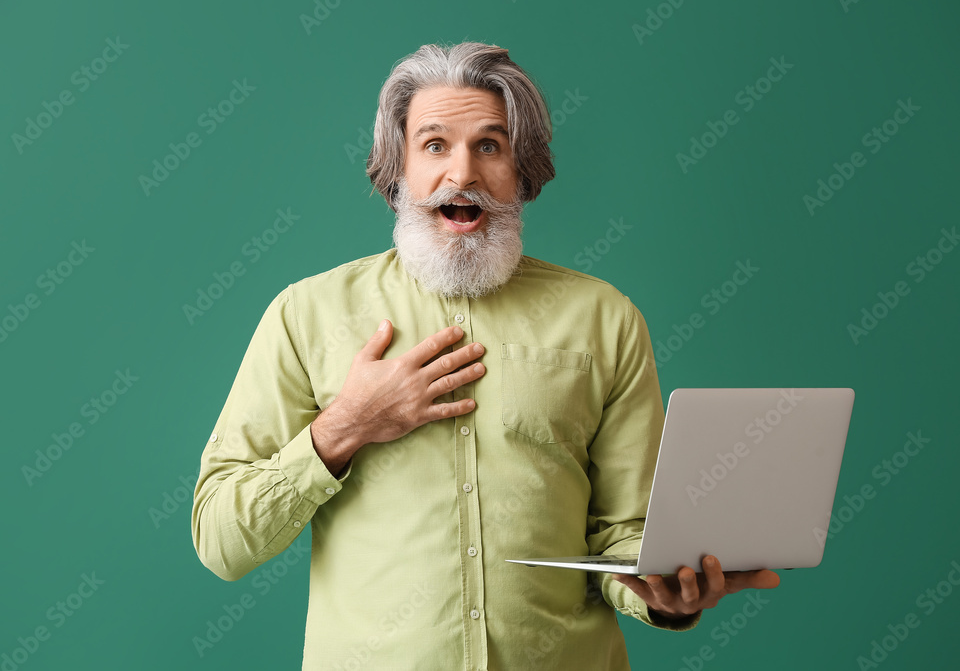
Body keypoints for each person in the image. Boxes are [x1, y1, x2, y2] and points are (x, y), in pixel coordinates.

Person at [191, 41, 779, 670]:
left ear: (523, 171)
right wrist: (346, 426)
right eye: (435, 145)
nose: (463, 174)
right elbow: (222, 541)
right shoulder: (306, 314)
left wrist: (664, 595)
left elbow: (621, 538)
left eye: (490, 146)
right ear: (397, 172)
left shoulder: (606, 319)